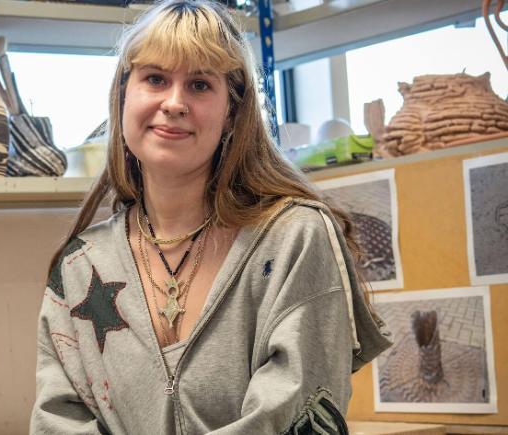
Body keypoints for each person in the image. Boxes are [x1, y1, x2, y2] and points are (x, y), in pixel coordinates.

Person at [30, 1, 392, 433]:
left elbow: (292, 415)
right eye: (156, 79)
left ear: (231, 114)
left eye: (200, 84)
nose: (175, 103)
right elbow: (58, 419)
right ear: (124, 96)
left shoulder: (294, 239)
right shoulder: (79, 266)